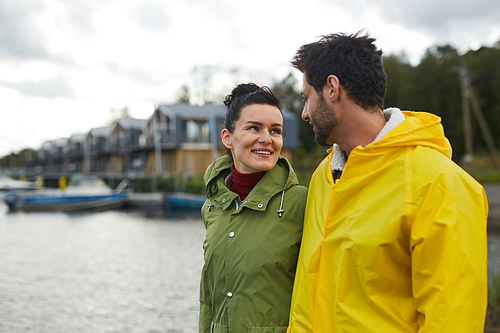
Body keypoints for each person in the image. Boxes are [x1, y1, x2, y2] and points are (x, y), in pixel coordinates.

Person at [286, 32, 488, 332]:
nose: (304, 113)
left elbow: (451, 320)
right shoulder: (322, 177)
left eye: (306, 98)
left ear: (332, 88)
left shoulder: (440, 185)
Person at [199, 83, 308, 332]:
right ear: (227, 137)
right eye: (254, 128)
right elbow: (208, 299)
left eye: (275, 131)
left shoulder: (301, 203)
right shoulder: (212, 207)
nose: (267, 139)